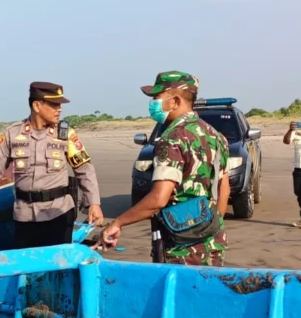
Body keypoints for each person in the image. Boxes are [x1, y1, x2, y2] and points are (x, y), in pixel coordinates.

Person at [99, 72, 231, 266]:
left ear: (175, 101)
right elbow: (223, 189)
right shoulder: (216, 136)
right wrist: (210, 227)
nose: (153, 103)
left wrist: (117, 223)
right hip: (214, 242)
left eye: (156, 97)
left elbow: (158, 199)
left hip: (181, 248)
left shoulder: (173, 138)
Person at [0, 82, 104, 248]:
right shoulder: (12, 135)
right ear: (36, 105)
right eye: (54, 104)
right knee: (28, 266)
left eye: (60, 105)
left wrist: (94, 203)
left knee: (58, 265)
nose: (59, 109)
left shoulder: (65, 134)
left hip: (59, 213)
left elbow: (84, 170)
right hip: (25, 215)